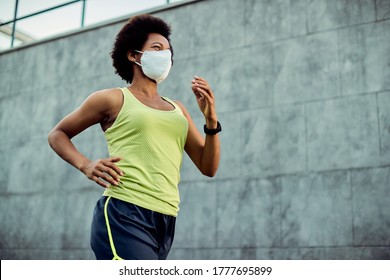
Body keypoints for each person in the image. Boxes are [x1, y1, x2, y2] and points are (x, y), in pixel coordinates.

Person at [48, 14, 221, 260]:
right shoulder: (112, 99)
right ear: (133, 55)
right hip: (124, 213)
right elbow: (57, 134)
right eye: (156, 48)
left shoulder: (179, 109)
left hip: (165, 218)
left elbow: (208, 167)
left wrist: (211, 120)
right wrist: (86, 165)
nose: (165, 56)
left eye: (168, 51)